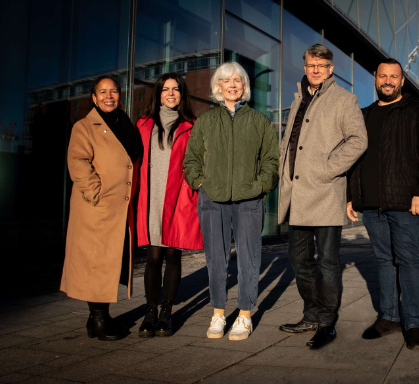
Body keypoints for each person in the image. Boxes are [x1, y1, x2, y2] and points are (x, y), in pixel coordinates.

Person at [278, 44, 368, 349]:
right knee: (299, 259)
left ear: (331, 69)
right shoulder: (298, 99)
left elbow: (358, 141)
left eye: (322, 65)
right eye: (311, 65)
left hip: (325, 192)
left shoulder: (345, 99)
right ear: (305, 68)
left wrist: (326, 169)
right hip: (297, 195)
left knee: (328, 262)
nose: (316, 70)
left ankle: (327, 322)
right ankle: (311, 313)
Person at [347, 58, 419, 349]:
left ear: (402, 81)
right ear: (375, 79)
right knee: (384, 261)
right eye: (382, 76)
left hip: (405, 203)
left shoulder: (417, 112)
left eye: (394, 77)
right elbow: (353, 159)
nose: (387, 81)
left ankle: (413, 323)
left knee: (409, 261)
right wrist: (351, 195)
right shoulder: (363, 115)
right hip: (371, 205)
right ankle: (388, 316)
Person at [183, 62, 279, 341]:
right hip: (213, 199)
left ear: (245, 87)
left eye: (238, 80)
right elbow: (191, 160)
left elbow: (271, 159)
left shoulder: (259, 120)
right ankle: (217, 313)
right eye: (227, 81)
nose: (233, 85)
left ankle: (245, 315)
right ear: (218, 87)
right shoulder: (206, 121)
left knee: (249, 257)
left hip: (249, 200)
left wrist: (262, 185)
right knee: (215, 258)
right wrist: (200, 184)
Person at [61, 75, 143, 341]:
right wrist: (96, 192)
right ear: (94, 98)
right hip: (97, 207)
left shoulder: (124, 124)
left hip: (118, 209)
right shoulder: (85, 126)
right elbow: (78, 162)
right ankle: (98, 321)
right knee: (96, 263)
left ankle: (100, 318)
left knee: (109, 263)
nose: (109, 96)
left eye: (114, 91)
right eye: (103, 92)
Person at [136, 73, 203, 338]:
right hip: (151, 198)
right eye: (166, 89)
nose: (171, 93)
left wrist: (192, 189)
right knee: (153, 256)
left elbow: (199, 162)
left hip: (177, 199)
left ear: (182, 94)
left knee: (173, 254)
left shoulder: (192, 125)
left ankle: (166, 313)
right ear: (158, 93)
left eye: (176, 89)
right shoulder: (143, 124)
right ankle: (149, 312)